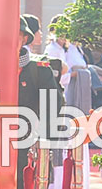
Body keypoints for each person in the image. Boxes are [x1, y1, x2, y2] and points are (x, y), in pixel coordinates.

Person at [18, 14, 61, 189]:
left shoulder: (39, 69)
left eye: (17, 35)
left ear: (25, 39)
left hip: (27, 144)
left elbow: (52, 107)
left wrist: (44, 143)